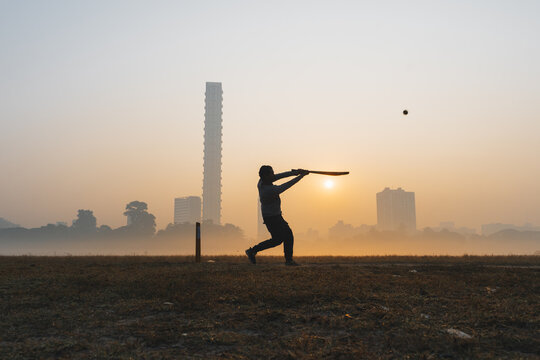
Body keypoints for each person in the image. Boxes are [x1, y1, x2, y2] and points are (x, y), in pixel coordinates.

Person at [245, 166, 309, 266]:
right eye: (271, 173)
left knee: (279, 239)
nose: (273, 175)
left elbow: (279, 176)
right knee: (282, 237)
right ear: (266, 176)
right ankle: (288, 260)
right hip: (272, 217)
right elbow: (286, 185)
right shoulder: (268, 190)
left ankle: (253, 251)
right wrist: (301, 176)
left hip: (274, 216)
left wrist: (295, 172)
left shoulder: (261, 181)